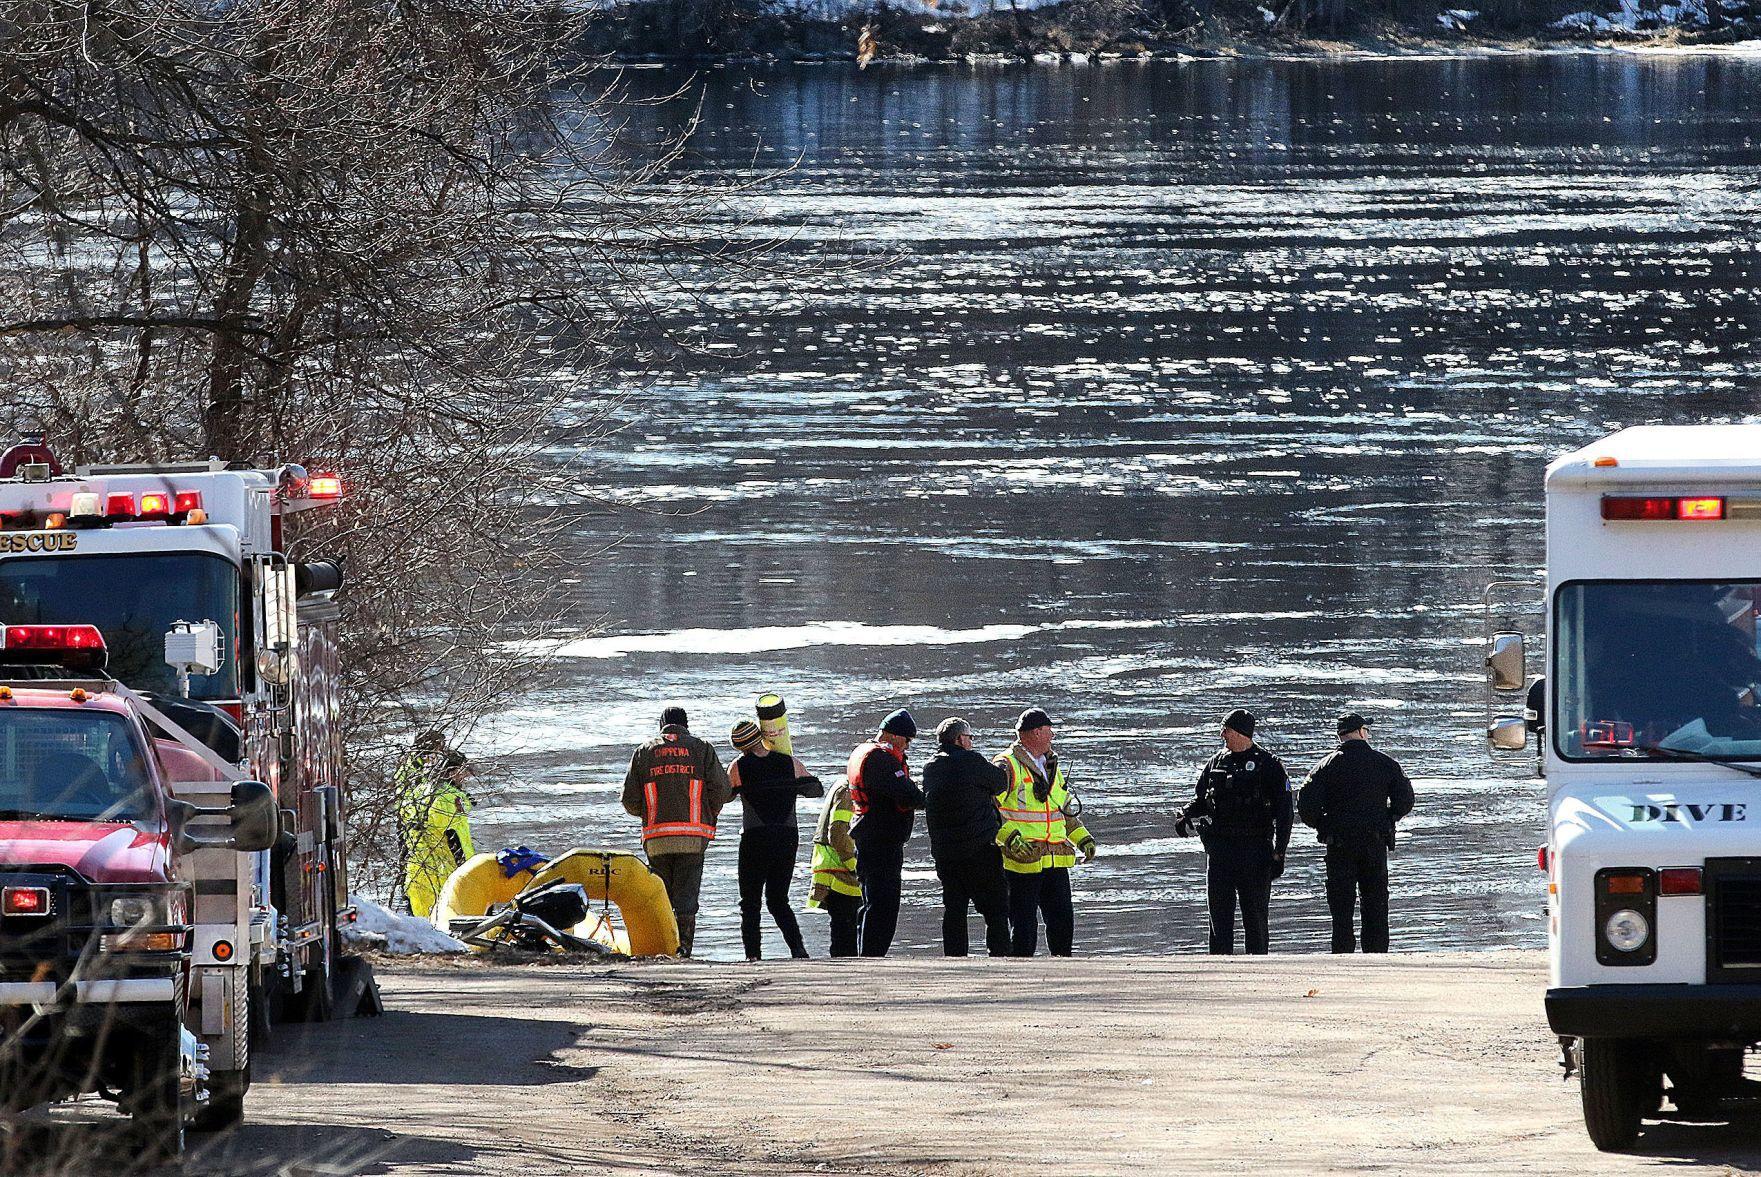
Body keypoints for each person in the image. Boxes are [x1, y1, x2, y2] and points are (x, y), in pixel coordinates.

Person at [1175, 709, 1291, 956]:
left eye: (1225, 730)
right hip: (1220, 852)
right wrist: (1185, 813)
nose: (1222, 735)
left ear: (1240, 733)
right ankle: (1219, 972)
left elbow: (1285, 814)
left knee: (1256, 919)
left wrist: (1280, 853)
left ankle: (1258, 971)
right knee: (1218, 919)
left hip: (1255, 852)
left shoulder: (1269, 765)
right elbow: (1202, 799)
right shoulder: (1217, 762)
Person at [1298, 713, 1415, 954]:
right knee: (1375, 906)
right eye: (1366, 730)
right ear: (1361, 732)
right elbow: (1405, 800)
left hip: (1339, 845)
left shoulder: (1325, 766)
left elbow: (1305, 805)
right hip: (1374, 843)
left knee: (1341, 909)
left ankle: (1342, 958)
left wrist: (1324, 825)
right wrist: (1389, 817)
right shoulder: (1385, 763)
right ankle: (1377, 960)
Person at [621, 706, 730, 957]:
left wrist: (650, 813)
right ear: (686, 725)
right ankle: (684, 951)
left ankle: (662, 946)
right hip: (693, 838)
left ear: (662, 725)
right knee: (687, 898)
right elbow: (722, 791)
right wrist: (708, 813)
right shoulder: (701, 749)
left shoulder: (644, 752)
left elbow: (629, 799)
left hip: (657, 839)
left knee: (660, 895)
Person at [994, 708, 1096, 957]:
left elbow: (1063, 809)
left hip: (1055, 857)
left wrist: (1083, 838)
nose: (1053, 736)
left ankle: (1063, 969)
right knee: (1024, 925)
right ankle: (1021, 974)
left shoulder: (1052, 766)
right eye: (1049, 730)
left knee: (1062, 921)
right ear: (1036, 732)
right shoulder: (1006, 765)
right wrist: (1009, 837)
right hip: (1023, 861)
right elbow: (989, 808)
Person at [727, 720, 824, 961]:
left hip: (754, 839)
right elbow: (816, 789)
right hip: (786, 838)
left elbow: (724, 796)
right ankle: (798, 950)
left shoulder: (738, 766)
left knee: (749, 903)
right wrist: (793, 785)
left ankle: (753, 956)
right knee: (778, 899)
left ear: (739, 747)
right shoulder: (788, 762)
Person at [921, 717, 1010, 957]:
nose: (972, 742)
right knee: (996, 909)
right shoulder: (971, 761)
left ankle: (954, 958)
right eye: (970, 737)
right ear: (960, 739)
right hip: (979, 848)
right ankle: (1001, 957)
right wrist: (1002, 768)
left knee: (954, 909)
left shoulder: (930, 767)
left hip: (946, 852)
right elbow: (1000, 782)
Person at [846, 709, 925, 957]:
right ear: (893, 736)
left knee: (870, 902)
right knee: (883, 904)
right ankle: (872, 957)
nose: (908, 747)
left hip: (870, 835)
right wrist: (926, 798)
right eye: (906, 740)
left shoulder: (865, 753)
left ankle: (866, 954)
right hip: (881, 840)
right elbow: (908, 794)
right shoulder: (881, 759)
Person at [395, 730, 474, 919]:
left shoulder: (419, 786)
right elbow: (453, 838)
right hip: (437, 867)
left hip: (417, 863)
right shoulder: (441, 796)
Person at [806, 774, 861, 957]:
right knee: (846, 938)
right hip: (840, 875)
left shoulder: (847, 785)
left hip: (840, 875)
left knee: (845, 934)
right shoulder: (848, 790)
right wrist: (855, 865)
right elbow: (838, 834)